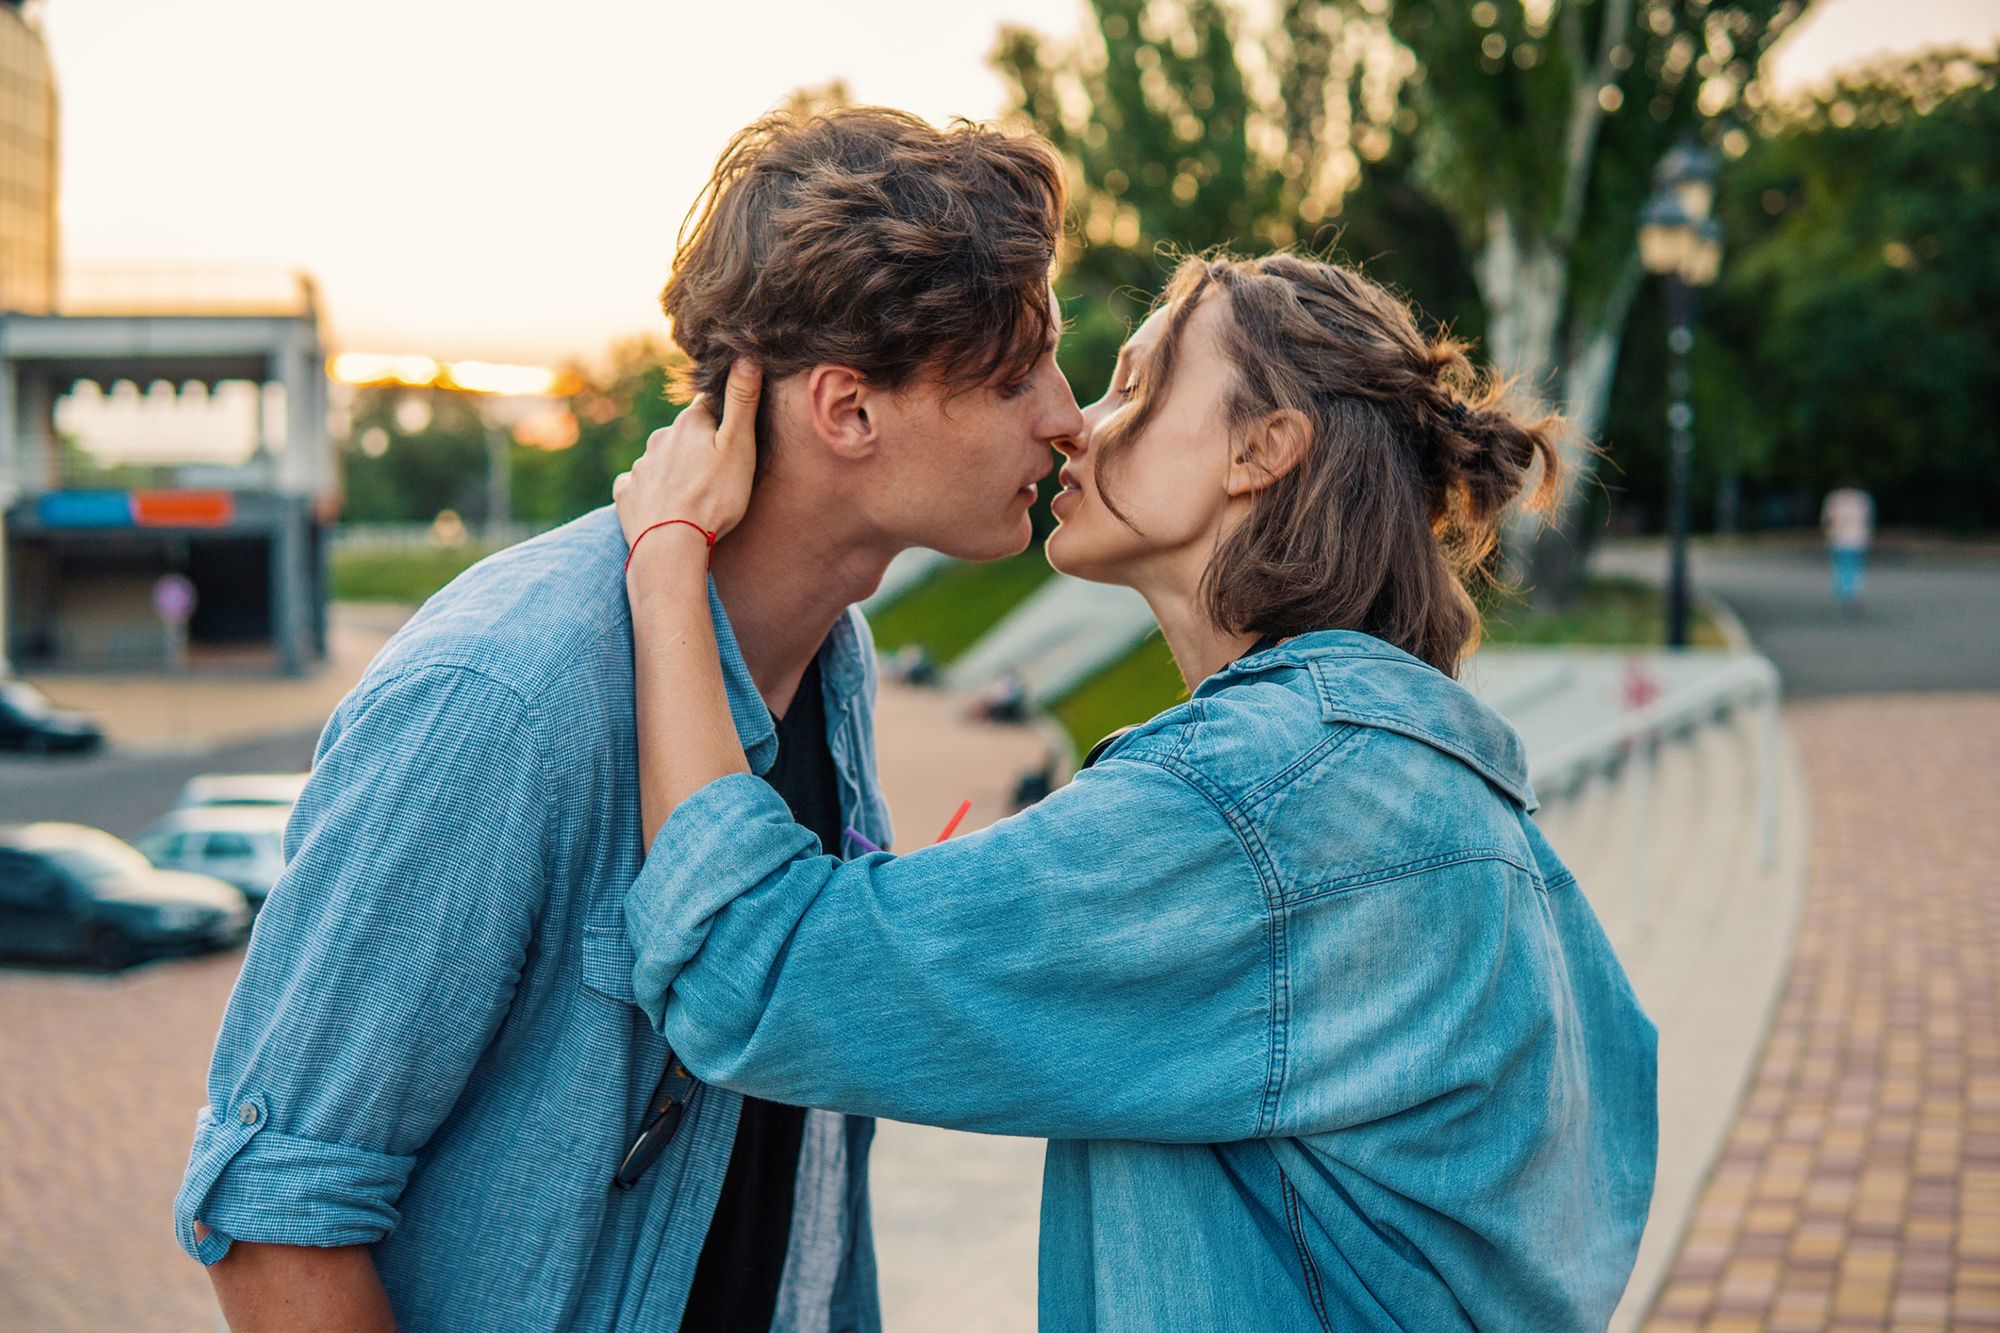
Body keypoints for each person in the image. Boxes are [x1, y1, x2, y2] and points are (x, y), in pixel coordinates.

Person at [614, 253, 1660, 1331]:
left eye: (1133, 380)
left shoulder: (1253, 801)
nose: (1075, 421)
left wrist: (663, 557)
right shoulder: (1434, 784)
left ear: (1260, 450)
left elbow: (747, 963)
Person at [171, 106, 1081, 1333]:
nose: (1064, 417)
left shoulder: (835, 656)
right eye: (1019, 373)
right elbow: (276, 1223)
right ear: (847, 410)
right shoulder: (503, 698)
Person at [1821, 480, 1875, 613]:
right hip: (1858, 539)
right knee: (1855, 567)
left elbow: (1827, 520)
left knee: (1840, 567)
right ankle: (1854, 593)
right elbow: (1868, 520)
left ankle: (1844, 593)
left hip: (1838, 538)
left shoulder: (1834, 498)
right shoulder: (1863, 498)